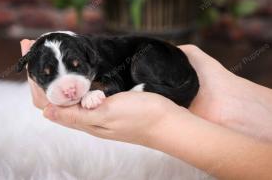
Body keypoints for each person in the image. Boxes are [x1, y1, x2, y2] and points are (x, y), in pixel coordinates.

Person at [20, 39, 272, 180]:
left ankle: (159, 87)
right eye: (48, 77)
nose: (68, 89)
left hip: (161, 62)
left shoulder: (96, 54)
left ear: (87, 58)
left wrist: (159, 124)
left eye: (76, 69)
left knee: (141, 64)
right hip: (165, 68)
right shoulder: (85, 52)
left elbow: (113, 82)